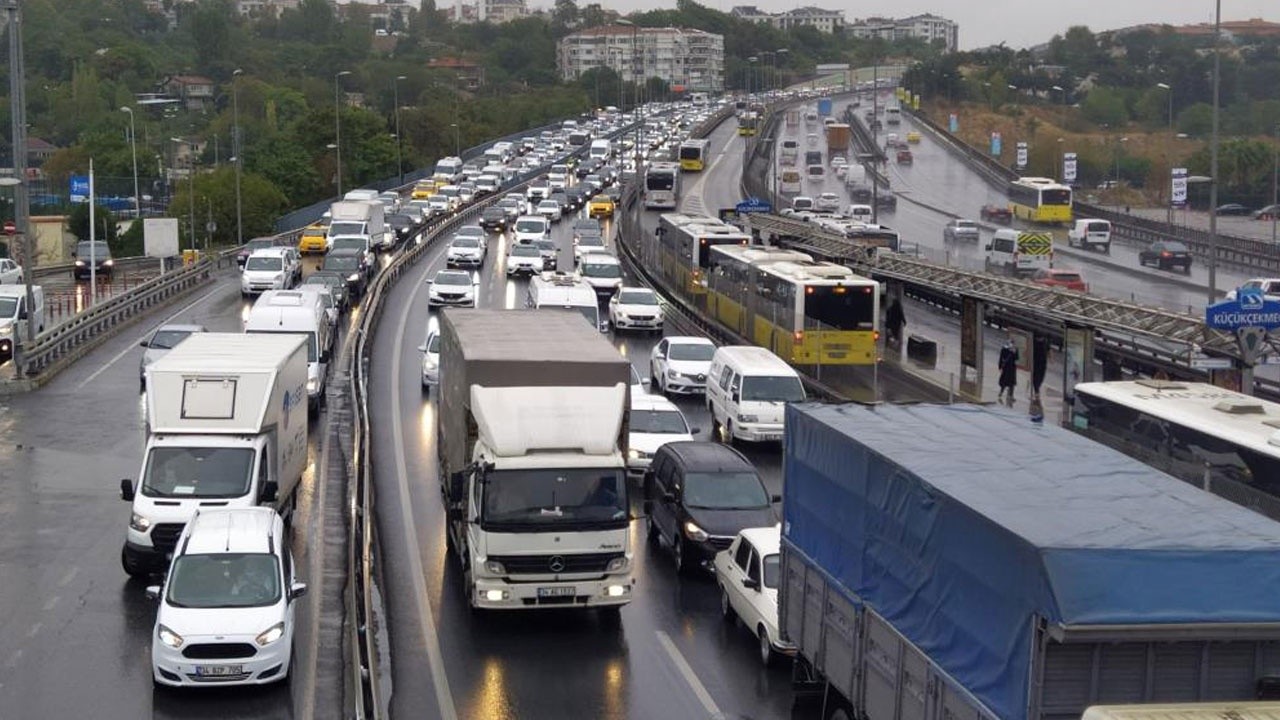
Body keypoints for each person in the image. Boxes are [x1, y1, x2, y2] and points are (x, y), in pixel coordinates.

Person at [998, 337, 1019, 404]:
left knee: (1011, 383)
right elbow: (1001, 358)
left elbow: (1016, 358)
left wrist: (1014, 352)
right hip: (1007, 368)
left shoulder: (1014, 349)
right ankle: (1001, 393)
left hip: (1011, 368)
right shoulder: (1004, 349)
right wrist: (1000, 366)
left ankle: (1010, 395)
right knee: (1005, 382)